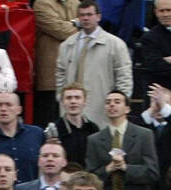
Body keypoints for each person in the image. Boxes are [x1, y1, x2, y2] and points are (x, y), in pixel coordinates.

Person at [54, 1, 134, 130]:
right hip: (72, 112)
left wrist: (119, 104)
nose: (86, 18)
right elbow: (60, 73)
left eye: (89, 14)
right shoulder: (66, 45)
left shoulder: (116, 45)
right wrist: (61, 97)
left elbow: (124, 77)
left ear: (98, 17)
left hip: (102, 110)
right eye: (82, 15)